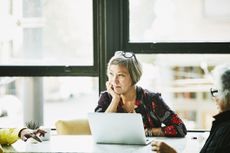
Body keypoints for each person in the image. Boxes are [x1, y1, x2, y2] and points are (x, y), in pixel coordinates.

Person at [94, 51, 187, 137]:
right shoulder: (106, 97)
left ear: (134, 77)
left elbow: (180, 129)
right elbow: (99, 130)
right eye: (111, 74)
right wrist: (115, 99)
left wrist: (146, 132)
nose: (114, 81)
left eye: (121, 75)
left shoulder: (152, 99)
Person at [152, 64, 230, 153]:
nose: (214, 98)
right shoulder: (222, 125)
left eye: (216, 91)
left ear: (227, 95)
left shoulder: (225, 130)